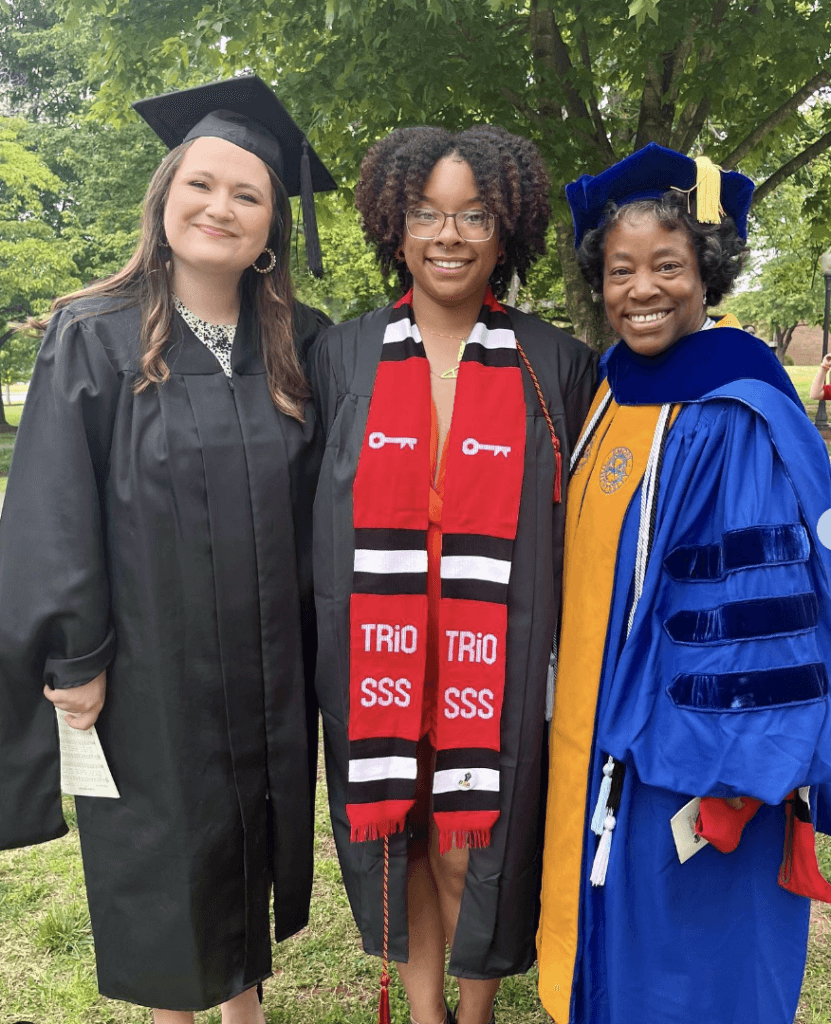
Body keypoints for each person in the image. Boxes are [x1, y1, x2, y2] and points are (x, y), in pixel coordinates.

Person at [0, 76, 334, 1023]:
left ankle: (245, 1009)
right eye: (201, 184)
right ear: (165, 196)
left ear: (271, 228)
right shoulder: (96, 336)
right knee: (164, 844)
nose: (218, 208)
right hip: (148, 663)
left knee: (251, 830)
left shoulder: (297, 347)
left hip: (269, 661)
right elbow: (54, 506)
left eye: (247, 194)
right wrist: (73, 656)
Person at [537, 142, 831, 1024]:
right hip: (595, 741)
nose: (642, 289)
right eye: (620, 269)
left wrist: (732, 769)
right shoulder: (610, 391)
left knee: (690, 968)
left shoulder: (734, 406)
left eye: (667, 265)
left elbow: (755, 607)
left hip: (693, 760)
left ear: (707, 275)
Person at [311, 125, 595, 1024]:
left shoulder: (555, 363)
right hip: (380, 650)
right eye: (426, 213)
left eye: (473, 214)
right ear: (393, 227)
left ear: (504, 232)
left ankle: (474, 1013)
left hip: (500, 654)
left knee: (477, 844)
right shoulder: (341, 355)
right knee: (412, 835)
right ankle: (426, 1013)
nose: (448, 235)